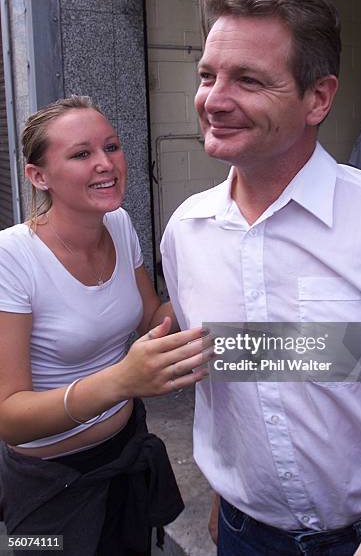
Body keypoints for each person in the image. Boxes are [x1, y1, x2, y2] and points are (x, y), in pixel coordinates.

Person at [161, 0, 361, 556]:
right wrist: (227, 494)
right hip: (246, 536)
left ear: (317, 98)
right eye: (207, 75)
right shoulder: (186, 232)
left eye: (247, 79)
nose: (214, 100)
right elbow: (233, 385)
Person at [0, 96, 212, 556]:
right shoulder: (12, 257)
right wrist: (121, 380)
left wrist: (210, 282)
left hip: (126, 450)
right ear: (39, 176)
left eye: (112, 147)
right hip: (49, 487)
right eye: (81, 154)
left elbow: (151, 319)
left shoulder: (118, 224)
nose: (106, 164)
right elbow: (10, 417)